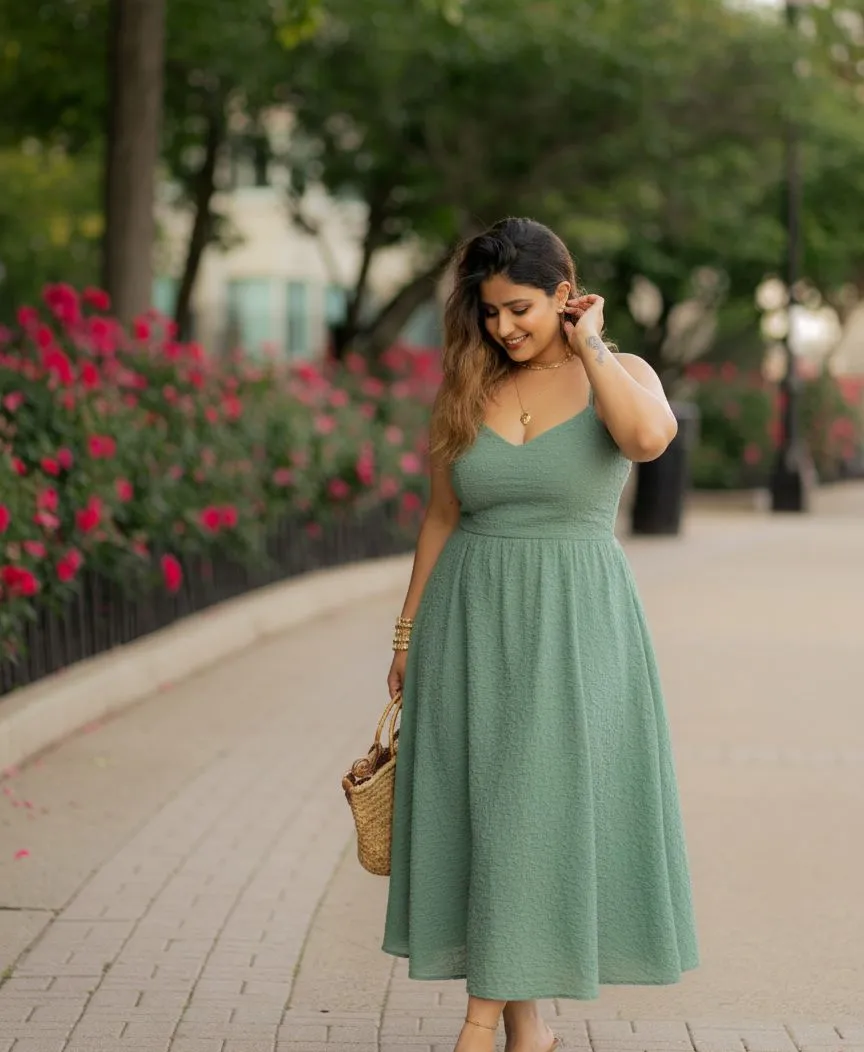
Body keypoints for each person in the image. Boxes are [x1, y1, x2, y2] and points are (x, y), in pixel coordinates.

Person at [382, 217, 699, 1052]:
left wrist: (589, 345)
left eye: (518, 309)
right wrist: (406, 635)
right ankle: (529, 1032)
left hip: (575, 627)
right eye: (488, 312)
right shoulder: (467, 388)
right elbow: (440, 516)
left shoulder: (622, 374)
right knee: (491, 813)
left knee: (531, 809)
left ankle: (478, 1023)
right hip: (469, 622)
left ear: (565, 294)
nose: (502, 328)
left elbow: (648, 440)